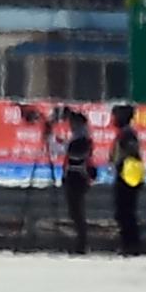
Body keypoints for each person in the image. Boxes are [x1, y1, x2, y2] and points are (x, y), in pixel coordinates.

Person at [57, 107, 95, 256]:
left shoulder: (83, 138)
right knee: (74, 211)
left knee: (77, 211)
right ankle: (81, 242)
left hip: (78, 177)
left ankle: (82, 243)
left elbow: (75, 155)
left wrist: (62, 145)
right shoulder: (77, 138)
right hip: (73, 176)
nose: (70, 125)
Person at [114, 112, 146, 256]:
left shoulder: (127, 133)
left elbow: (132, 152)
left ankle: (131, 244)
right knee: (124, 212)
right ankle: (129, 243)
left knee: (125, 212)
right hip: (128, 175)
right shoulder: (125, 132)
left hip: (128, 176)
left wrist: (122, 165)